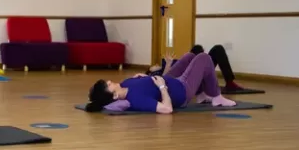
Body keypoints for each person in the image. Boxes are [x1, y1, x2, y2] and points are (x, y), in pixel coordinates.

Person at [86, 52, 237, 114]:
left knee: (189, 56)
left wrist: (144, 76)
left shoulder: (126, 82)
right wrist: (163, 88)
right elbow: (167, 109)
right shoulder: (136, 100)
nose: (111, 81)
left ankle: (202, 95)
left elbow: (150, 83)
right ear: (114, 95)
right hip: (182, 90)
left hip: (171, 80)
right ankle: (216, 96)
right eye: (109, 84)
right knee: (204, 58)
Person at [147, 44, 244, 91]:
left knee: (217, 49)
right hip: (190, 77)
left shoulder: (167, 63)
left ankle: (230, 82)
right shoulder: (155, 75)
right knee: (192, 55)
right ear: (150, 71)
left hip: (194, 67)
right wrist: (168, 64)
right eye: (154, 66)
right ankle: (200, 59)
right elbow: (165, 79)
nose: (155, 65)